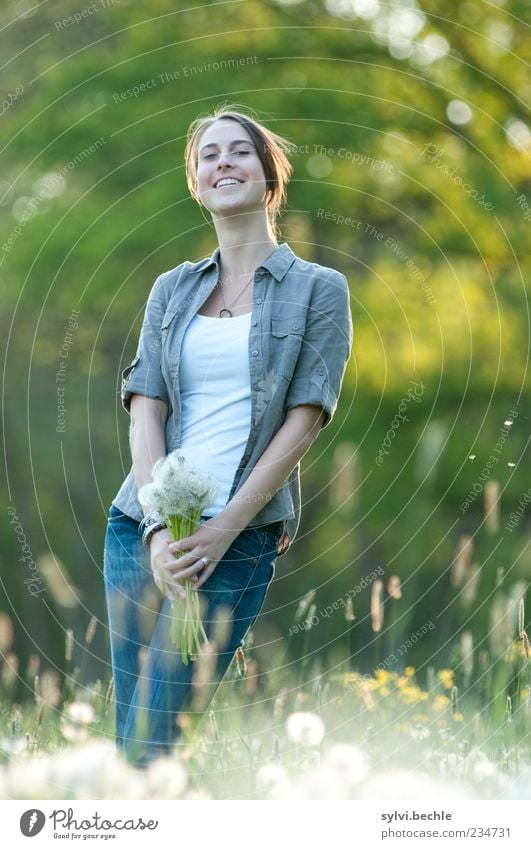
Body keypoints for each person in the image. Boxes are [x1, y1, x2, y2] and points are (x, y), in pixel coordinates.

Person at [103, 102, 353, 768]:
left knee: (158, 728)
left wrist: (219, 531)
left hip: (236, 536)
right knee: (129, 730)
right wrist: (158, 527)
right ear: (196, 181)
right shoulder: (171, 288)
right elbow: (145, 407)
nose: (223, 163)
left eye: (239, 151)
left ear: (269, 177)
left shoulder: (318, 290)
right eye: (208, 154)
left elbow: (304, 420)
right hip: (139, 526)